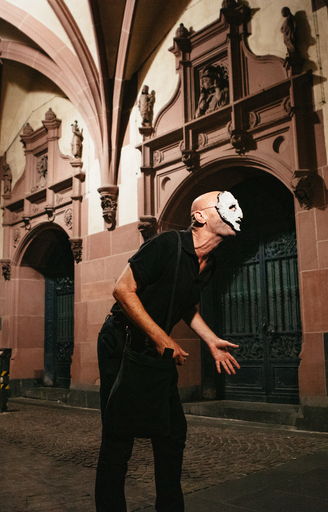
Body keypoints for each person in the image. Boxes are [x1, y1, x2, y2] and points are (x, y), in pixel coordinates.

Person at [95, 190, 244, 512]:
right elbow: (122, 289)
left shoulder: (209, 263)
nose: (239, 213)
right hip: (120, 344)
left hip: (156, 349)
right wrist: (162, 337)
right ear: (201, 216)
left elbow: (186, 306)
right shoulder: (166, 245)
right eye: (230, 206)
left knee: (172, 433)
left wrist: (210, 340)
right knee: (118, 437)